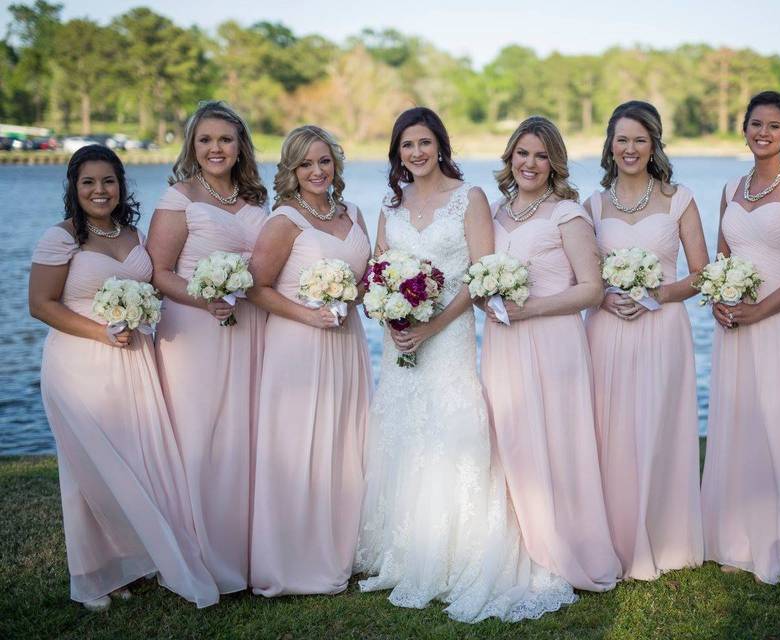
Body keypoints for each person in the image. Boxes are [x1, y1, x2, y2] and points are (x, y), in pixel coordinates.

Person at [355, 107, 575, 623]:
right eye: (407, 146)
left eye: (425, 143)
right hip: (400, 337)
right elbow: (378, 273)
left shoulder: (470, 199)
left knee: (453, 424)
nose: (417, 153)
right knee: (402, 429)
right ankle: (403, 548)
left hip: (449, 334)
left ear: (441, 145)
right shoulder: (392, 206)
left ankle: (458, 551)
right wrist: (389, 315)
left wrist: (431, 325)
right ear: (397, 153)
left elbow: (479, 278)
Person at [28, 145, 219, 611]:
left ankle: (130, 563)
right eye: (89, 182)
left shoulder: (132, 233)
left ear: (121, 185)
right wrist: (102, 331)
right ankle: (91, 578)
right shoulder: (63, 238)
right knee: (88, 471)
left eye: (108, 181)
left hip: (135, 361)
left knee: (136, 465)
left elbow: (156, 285)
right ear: (74, 187)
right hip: (80, 364)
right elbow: (41, 305)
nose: (100, 190)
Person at [481, 115, 622, 591]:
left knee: (557, 440)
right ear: (510, 157)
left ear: (554, 162)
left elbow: (591, 290)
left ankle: (565, 544)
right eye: (523, 153)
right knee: (511, 437)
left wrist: (530, 309)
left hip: (553, 341)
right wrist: (488, 298)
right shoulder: (496, 214)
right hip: (502, 343)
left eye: (542, 155)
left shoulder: (568, 213)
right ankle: (517, 541)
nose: (531, 163)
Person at [701, 91, 780, 584]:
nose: (763, 133)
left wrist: (761, 310)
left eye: (774, 126)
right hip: (734, 325)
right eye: (756, 123)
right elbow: (722, 259)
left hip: (779, 323)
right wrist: (718, 298)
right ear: (745, 128)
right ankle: (732, 537)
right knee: (737, 420)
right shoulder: (731, 188)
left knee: (778, 424)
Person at [146, 101, 269, 593]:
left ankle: (245, 553)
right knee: (201, 439)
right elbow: (157, 271)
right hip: (194, 331)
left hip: (251, 327)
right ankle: (200, 557)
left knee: (245, 437)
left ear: (240, 146)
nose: (215, 148)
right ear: (192, 147)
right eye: (205, 140)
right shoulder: (180, 198)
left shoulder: (257, 200)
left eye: (225, 139)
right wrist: (204, 297)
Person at [584, 101, 708, 579]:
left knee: (658, 423)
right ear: (609, 145)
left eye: (639, 139)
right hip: (607, 328)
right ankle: (611, 536)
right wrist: (601, 298)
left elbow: (702, 274)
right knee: (609, 428)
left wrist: (658, 293)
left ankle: (664, 536)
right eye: (621, 139)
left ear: (654, 144)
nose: (629, 148)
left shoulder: (680, 199)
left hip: (663, 329)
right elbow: (582, 274)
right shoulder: (591, 205)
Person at [248, 125, 372, 596]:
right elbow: (256, 288)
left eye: (323, 161)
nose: (317, 171)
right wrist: (307, 313)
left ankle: (342, 545)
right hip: (298, 346)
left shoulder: (354, 213)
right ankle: (293, 559)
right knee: (301, 446)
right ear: (291, 171)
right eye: (305, 164)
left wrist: (365, 296)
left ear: (335, 163)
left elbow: (368, 278)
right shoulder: (284, 220)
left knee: (343, 441)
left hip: (346, 341)